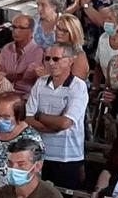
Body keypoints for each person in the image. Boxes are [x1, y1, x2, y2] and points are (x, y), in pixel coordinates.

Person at [28, 42, 90, 190]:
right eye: (47, 58)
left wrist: (40, 115)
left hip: (68, 157)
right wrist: (53, 126)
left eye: (56, 59)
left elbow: (65, 123)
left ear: (70, 60)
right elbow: (27, 118)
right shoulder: (40, 83)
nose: (50, 63)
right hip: (41, 154)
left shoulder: (78, 87)